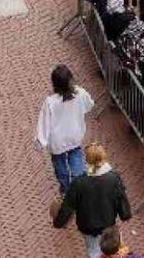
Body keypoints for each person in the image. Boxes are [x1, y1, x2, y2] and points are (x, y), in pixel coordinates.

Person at [52, 143, 132, 258]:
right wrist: (125, 215)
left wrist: (59, 222)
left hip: (87, 227)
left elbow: (67, 207)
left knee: (93, 251)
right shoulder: (113, 179)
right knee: (113, 251)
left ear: (87, 160)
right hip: (107, 224)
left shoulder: (78, 183)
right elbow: (121, 200)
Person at [36, 64, 95, 194]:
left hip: (57, 142)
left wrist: (40, 141)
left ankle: (65, 190)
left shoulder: (50, 102)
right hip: (74, 136)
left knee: (60, 167)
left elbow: (44, 122)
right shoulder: (79, 93)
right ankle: (78, 184)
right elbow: (89, 104)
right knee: (76, 158)